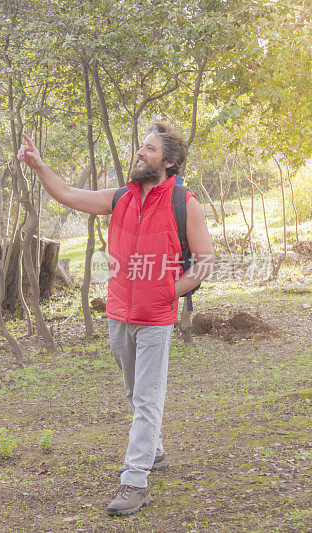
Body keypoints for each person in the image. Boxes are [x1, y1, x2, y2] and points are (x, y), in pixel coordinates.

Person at [17, 122, 215, 516]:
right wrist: (39, 166)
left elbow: (205, 262)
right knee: (134, 393)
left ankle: (135, 482)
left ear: (169, 162)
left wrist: (166, 292)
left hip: (157, 318)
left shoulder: (184, 202)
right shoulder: (121, 197)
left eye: (150, 150)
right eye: (141, 148)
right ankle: (154, 450)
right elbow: (69, 194)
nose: (140, 154)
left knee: (146, 399)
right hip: (119, 315)